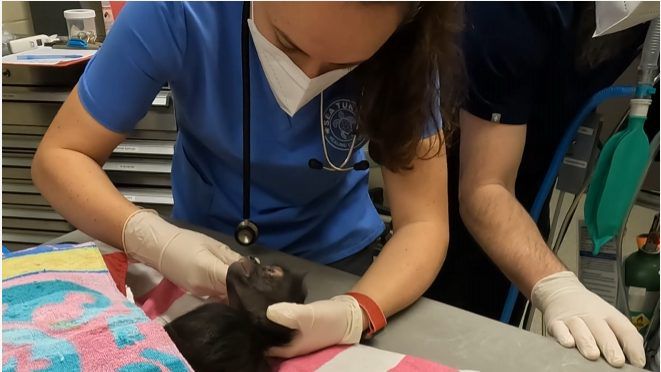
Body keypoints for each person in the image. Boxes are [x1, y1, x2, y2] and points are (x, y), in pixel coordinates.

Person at [32, 2, 462, 358]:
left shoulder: (411, 47)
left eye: (345, 65)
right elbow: (61, 156)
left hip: (344, 268)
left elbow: (424, 222)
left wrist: (358, 310)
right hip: (196, 258)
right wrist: (151, 237)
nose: (310, 74)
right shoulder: (176, 12)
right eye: (288, 45)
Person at [425, 2, 649, 368]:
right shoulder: (514, 10)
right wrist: (557, 285)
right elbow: (484, 188)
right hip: (459, 170)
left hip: (531, 171)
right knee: (457, 315)